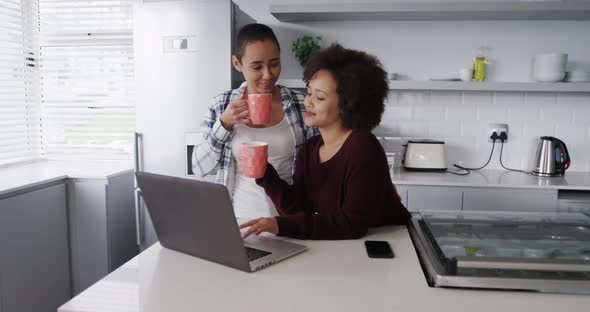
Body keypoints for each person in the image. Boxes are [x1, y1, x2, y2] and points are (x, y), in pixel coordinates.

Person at [240, 43, 410, 240]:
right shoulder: (310, 149)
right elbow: (297, 209)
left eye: (319, 97)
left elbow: (352, 223)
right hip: (352, 247)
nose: (308, 102)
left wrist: (280, 225)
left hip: (392, 244)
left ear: (347, 105)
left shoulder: (363, 147)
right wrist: (265, 173)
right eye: (309, 92)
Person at [192, 23, 317, 219]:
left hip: (289, 220)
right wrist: (224, 124)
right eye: (257, 66)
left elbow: (318, 164)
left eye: (274, 64)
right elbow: (200, 168)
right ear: (237, 64)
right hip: (238, 219)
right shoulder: (221, 104)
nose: (268, 75)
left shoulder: (301, 103)